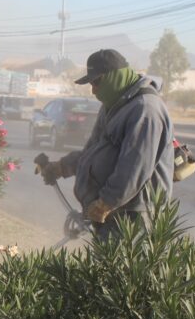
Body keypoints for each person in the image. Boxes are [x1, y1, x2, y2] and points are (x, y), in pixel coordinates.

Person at [41, 49, 174, 240]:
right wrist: (63, 167)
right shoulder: (113, 105)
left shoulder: (145, 109)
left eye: (96, 82)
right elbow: (94, 151)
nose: (93, 90)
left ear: (115, 76)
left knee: (125, 269)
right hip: (115, 212)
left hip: (135, 217)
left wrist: (107, 202)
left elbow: (135, 167)